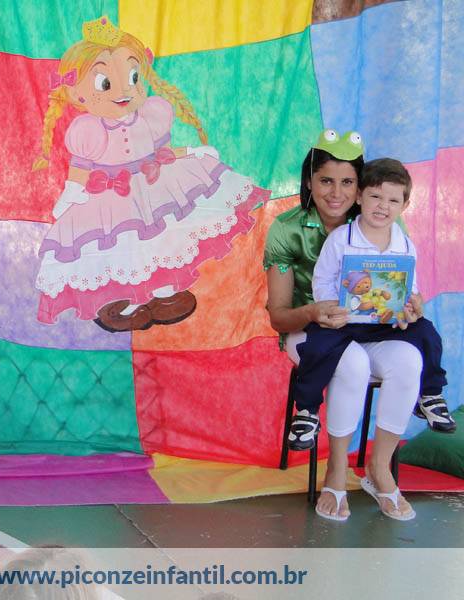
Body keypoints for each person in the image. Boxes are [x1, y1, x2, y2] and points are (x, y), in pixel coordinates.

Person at [33, 16, 269, 332]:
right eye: (105, 83)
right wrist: (71, 192)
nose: (123, 90)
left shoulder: (150, 116)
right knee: (124, 247)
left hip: (154, 184)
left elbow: (162, 153)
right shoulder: (88, 131)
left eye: (132, 77)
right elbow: (80, 168)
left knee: (159, 239)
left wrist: (193, 152)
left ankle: (164, 292)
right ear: (78, 94)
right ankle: (129, 301)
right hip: (110, 200)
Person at [263, 131, 451, 522]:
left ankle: (380, 470)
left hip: (376, 328)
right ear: (309, 181)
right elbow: (279, 315)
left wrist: (410, 307)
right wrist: (317, 311)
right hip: (315, 328)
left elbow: (408, 285)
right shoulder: (292, 229)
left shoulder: (388, 227)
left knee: (410, 359)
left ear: (359, 188)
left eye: (347, 182)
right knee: (352, 364)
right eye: (325, 181)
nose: (337, 193)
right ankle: (334, 471)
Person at [295, 159, 453, 447]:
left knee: (427, 333)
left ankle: (430, 395)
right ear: (359, 197)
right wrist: (329, 307)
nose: (383, 206)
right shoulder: (341, 239)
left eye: (393, 200)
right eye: (376, 196)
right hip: (343, 323)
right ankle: (307, 411)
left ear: (405, 205)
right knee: (316, 345)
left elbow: (410, 287)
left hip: (384, 324)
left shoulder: (405, 244)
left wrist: (412, 307)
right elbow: (322, 280)